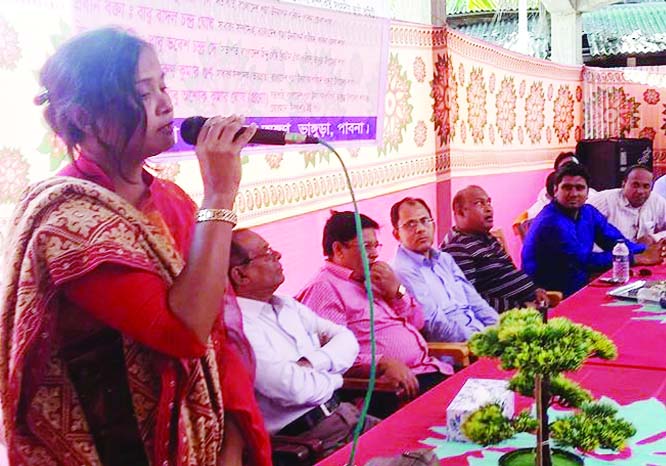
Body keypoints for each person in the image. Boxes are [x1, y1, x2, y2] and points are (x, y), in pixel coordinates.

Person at [0, 28, 270, 466]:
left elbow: (218, 337)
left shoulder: (171, 201)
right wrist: (220, 196)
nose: (167, 104)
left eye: (163, 85)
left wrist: (231, 442)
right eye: (144, 93)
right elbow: (183, 332)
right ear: (85, 117)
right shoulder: (68, 220)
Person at [229, 229, 378, 458]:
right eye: (267, 253)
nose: (277, 256)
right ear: (240, 275)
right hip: (311, 440)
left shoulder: (287, 305)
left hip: (346, 415)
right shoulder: (238, 328)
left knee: (419, 439)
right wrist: (336, 378)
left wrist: (311, 362)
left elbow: (347, 340)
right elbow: (292, 388)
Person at [296, 211, 450, 408]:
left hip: (428, 368)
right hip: (390, 387)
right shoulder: (325, 289)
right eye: (366, 246)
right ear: (338, 249)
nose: (375, 253)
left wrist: (397, 291)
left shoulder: (375, 277)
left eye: (376, 245)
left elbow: (418, 323)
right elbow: (331, 355)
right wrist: (382, 363)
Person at [522, 162, 664, 296]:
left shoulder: (587, 212)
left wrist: (644, 249)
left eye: (580, 188)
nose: (574, 194)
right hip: (550, 296)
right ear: (555, 190)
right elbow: (584, 260)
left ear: (587, 192)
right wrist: (637, 258)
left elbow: (615, 241)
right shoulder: (551, 222)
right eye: (567, 187)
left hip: (579, 287)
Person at [389, 198, 499, 341]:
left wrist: (500, 330)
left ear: (433, 225)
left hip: (481, 338)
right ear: (397, 234)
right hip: (458, 352)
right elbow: (434, 325)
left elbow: (476, 303)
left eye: (424, 221)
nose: (420, 229)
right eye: (410, 224)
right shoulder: (402, 270)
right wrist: (481, 341)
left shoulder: (444, 259)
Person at [440, 188, 547, 312]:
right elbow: (470, 300)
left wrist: (534, 291)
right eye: (479, 203)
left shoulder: (488, 237)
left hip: (532, 309)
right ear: (460, 213)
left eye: (489, 202)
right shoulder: (457, 248)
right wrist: (520, 309)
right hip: (507, 322)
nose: (488, 209)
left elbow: (510, 272)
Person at [587, 165, 666, 243]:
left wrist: (653, 238)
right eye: (635, 185)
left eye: (646, 186)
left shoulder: (657, 201)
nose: (640, 191)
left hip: (646, 254)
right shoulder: (604, 200)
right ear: (624, 184)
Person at [526, 152, 597, 219]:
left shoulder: (593, 196)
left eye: (574, 166)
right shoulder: (544, 199)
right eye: (566, 167)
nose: (574, 194)